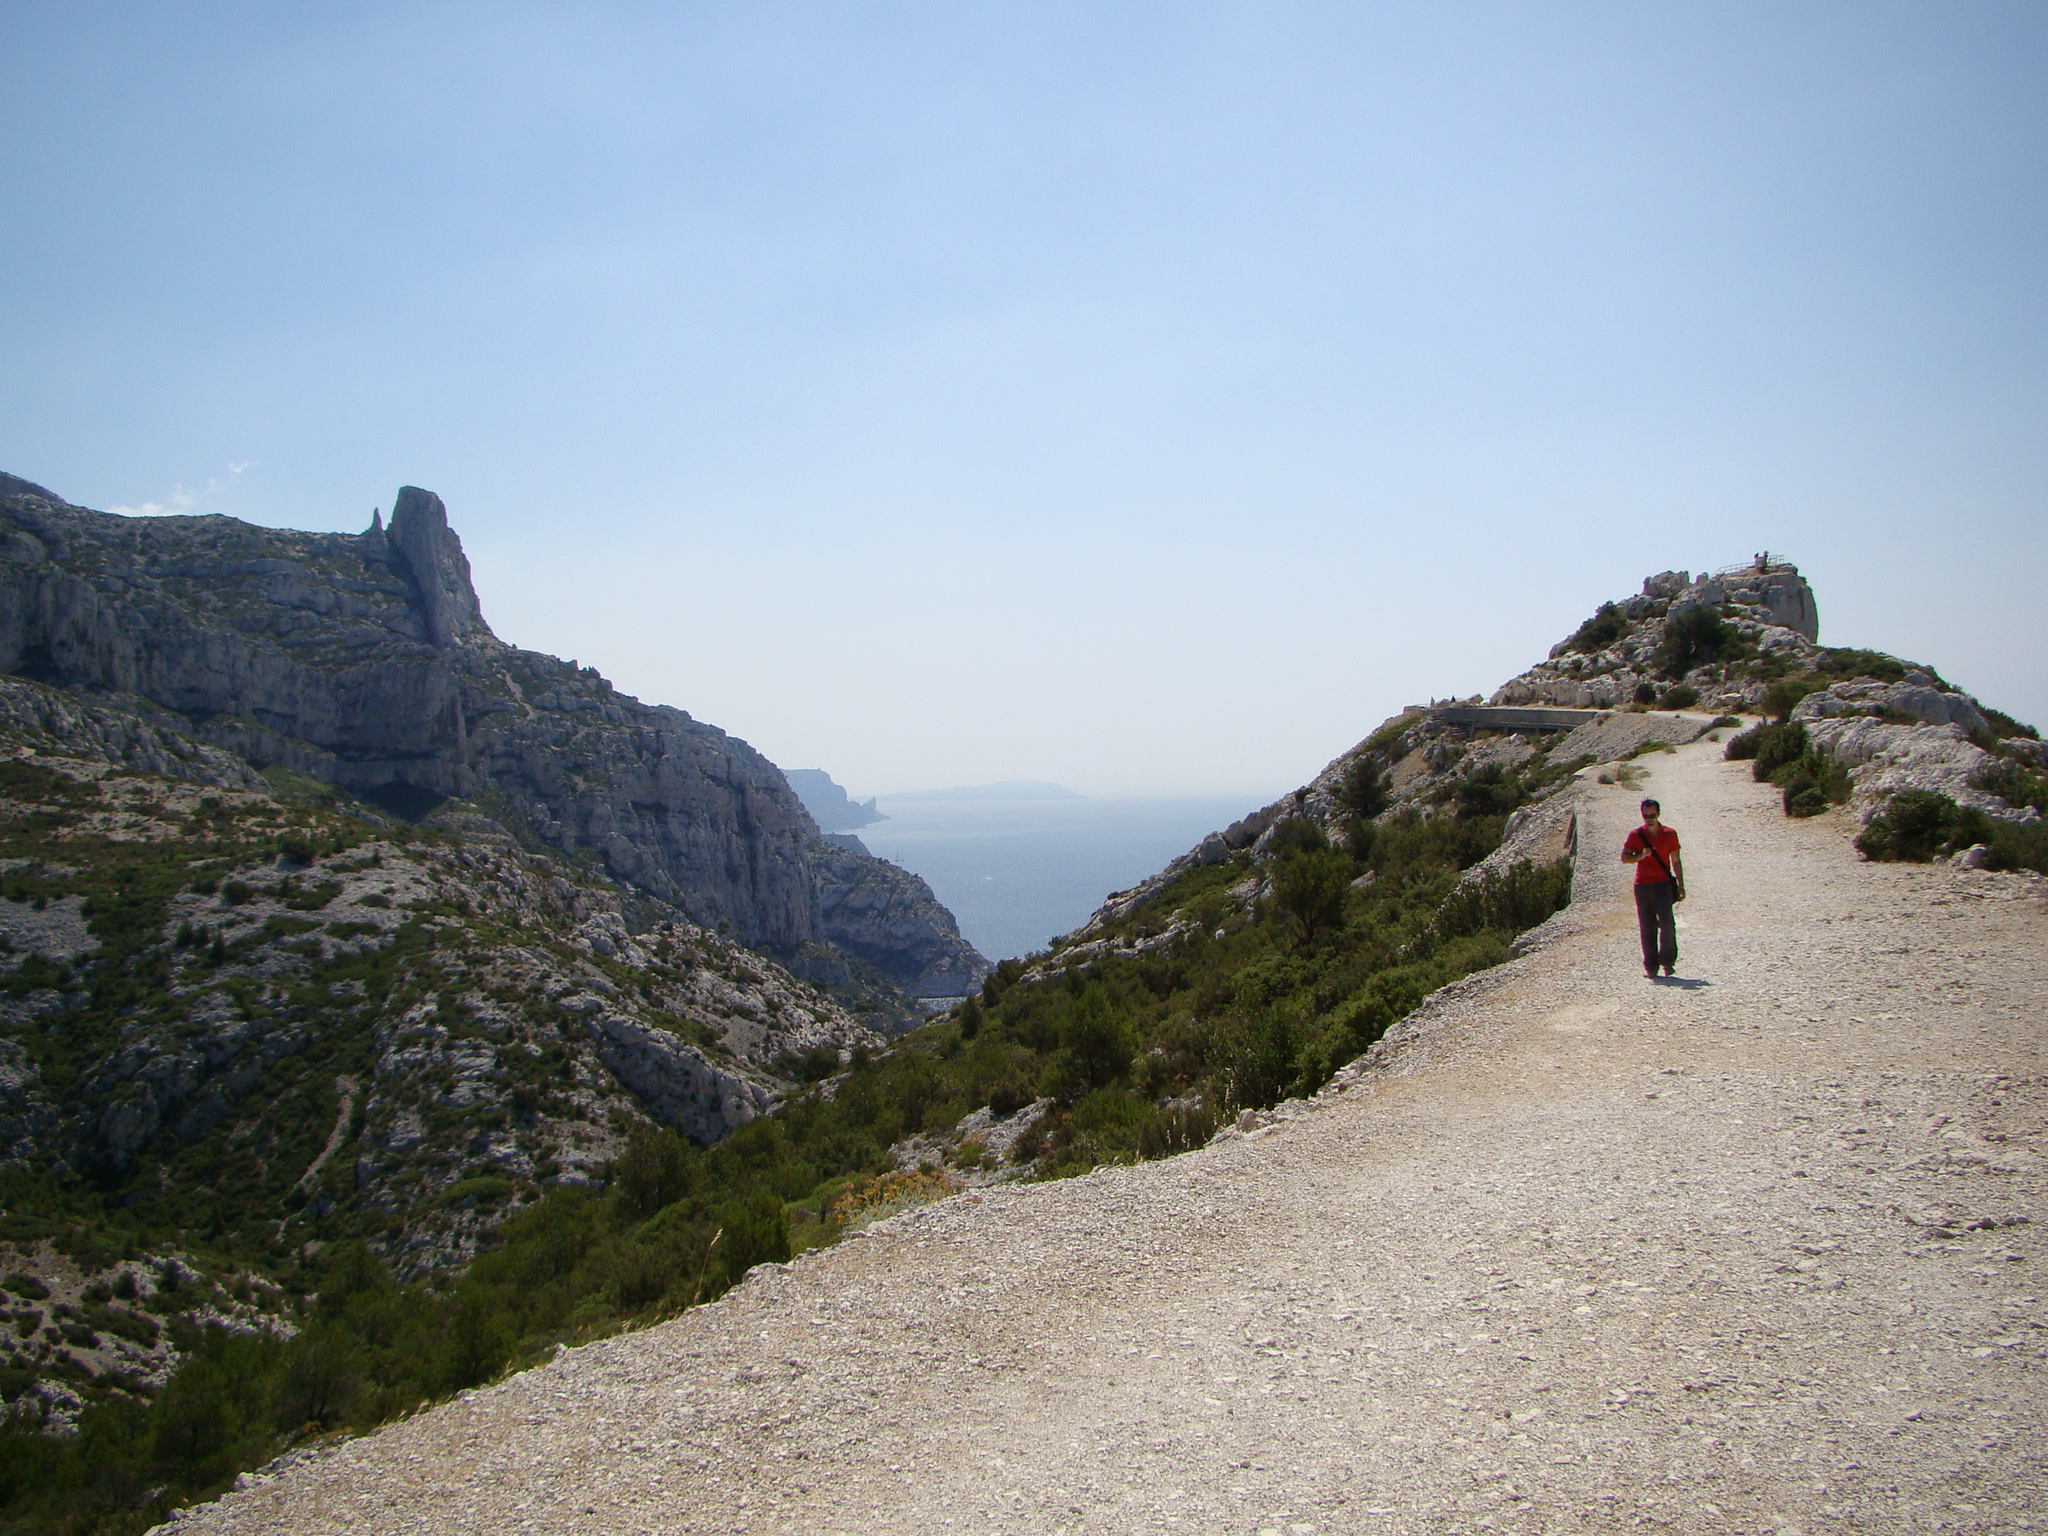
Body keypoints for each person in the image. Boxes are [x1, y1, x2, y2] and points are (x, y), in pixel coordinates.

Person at [1621, 797, 1685, 978]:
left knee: (1667, 923)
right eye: (1646, 816)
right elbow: (1625, 857)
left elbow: (1676, 860)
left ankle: (1667, 961)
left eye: (1652, 815)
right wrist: (1640, 856)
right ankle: (1651, 967)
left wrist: (1680, 885)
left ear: (1658, 814)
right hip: (1643, 886)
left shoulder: (1669, 834)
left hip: (1663, 885)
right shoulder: (1636, 835)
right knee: (1647, 926)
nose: (1649, 819)